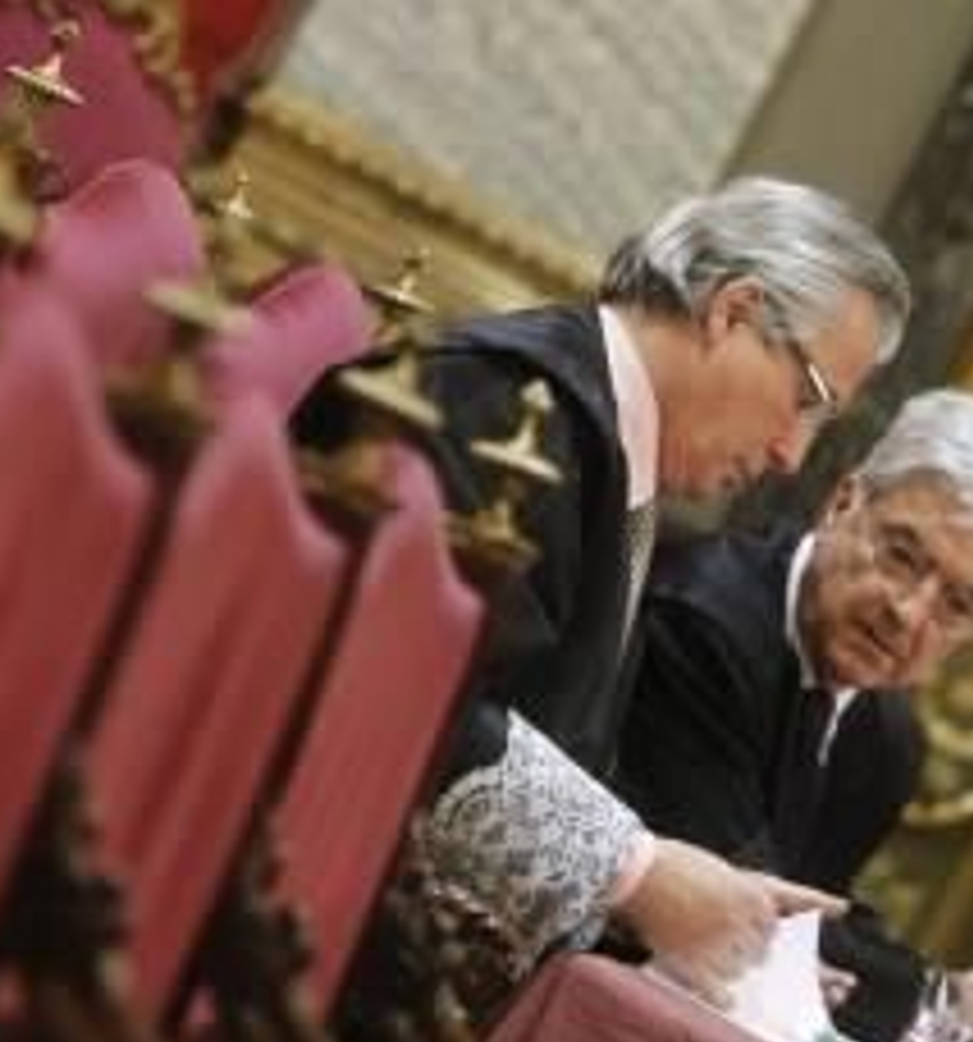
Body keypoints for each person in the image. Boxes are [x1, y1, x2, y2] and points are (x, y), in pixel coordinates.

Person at [300, 175, 912, 1000]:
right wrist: (635, 872)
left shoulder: (605, 449)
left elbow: (544, 733)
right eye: (806, 401)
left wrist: (682, 887)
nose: (790, 454)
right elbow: (394, 696)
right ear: (733, 311)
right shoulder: (503, 406)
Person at [616, 389, 973, 1042]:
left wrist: (952, 1002)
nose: (909, 613)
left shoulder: (887, 740)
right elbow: (755, 919)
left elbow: (815, 938)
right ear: (842, 502)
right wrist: (940, 1000)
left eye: (959, 605)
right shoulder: (704, 621)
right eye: (902, 556)